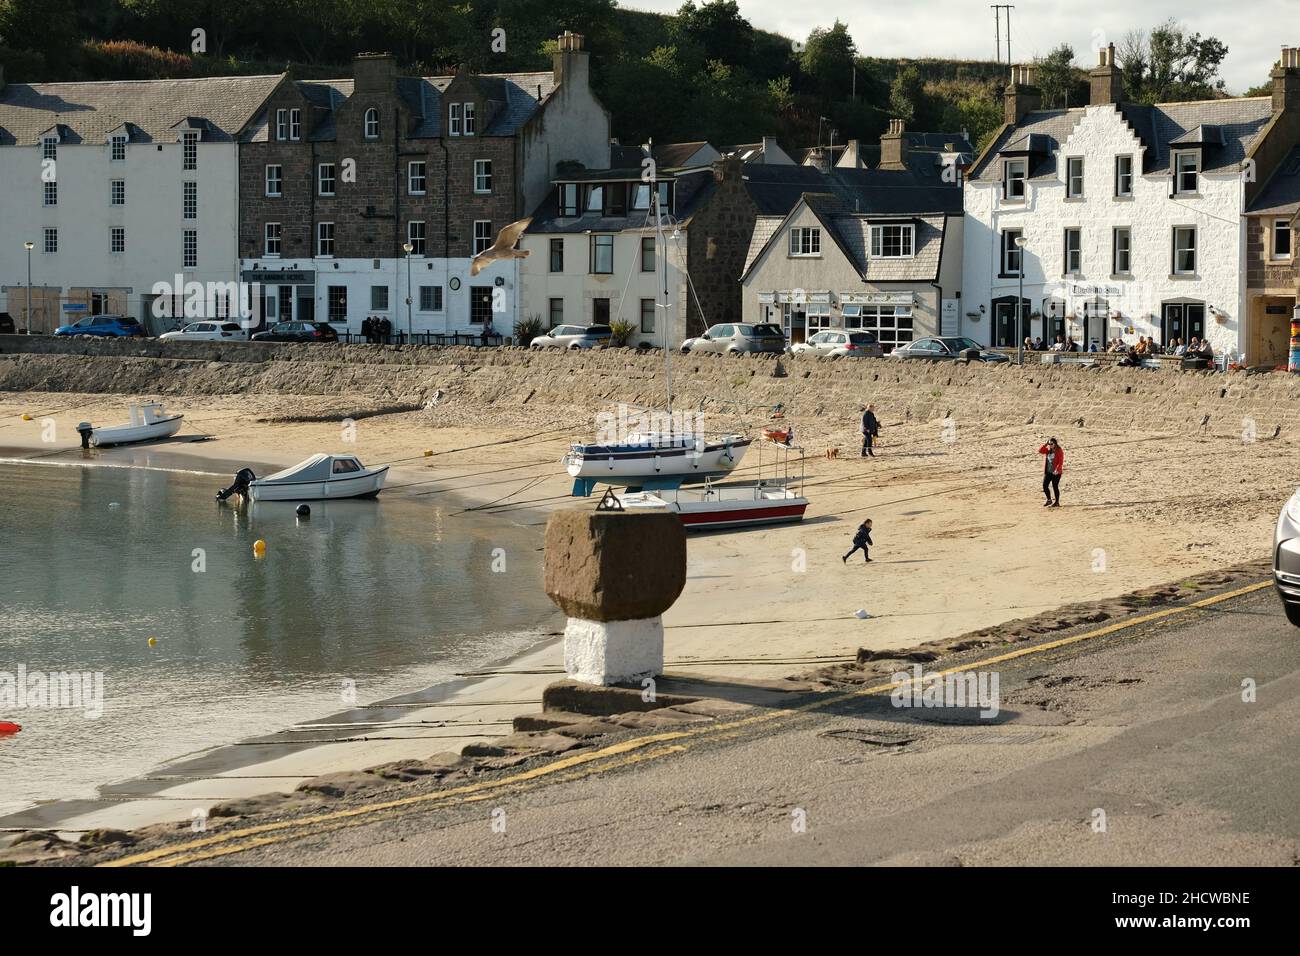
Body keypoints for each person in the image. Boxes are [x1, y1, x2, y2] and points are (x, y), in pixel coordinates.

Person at [1039, 437, 1063, 507]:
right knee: (1044, 485)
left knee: (1055, 486)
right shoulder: (1048, 450)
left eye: (1051, 444)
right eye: (1049, 444)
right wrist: (1046, 444)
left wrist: (1057, 469)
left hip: (1056, 473)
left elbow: (1060, 461)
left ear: (1055, 444)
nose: (1050, 445)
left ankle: (1057, 502)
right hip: (1048, 472)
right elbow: (1040, 450)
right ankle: (1049, 500)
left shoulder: (1059, 450)